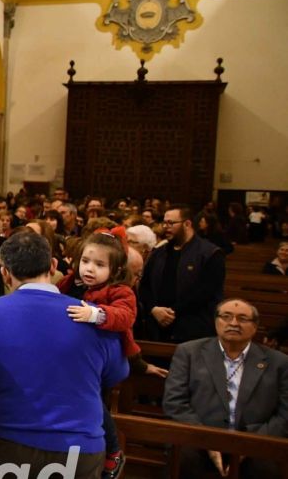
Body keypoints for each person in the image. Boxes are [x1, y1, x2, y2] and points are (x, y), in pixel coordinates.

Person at [0, 232, 129, 478]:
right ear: (53, 266)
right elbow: (116, 374)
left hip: (9, 442)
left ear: (4, 272)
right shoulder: (94, 316)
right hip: (78, 446)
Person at [57, 232, 166, 479]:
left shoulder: (120, 291)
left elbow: (125, 317)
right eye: (85, 261)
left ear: (115, 269)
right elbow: (53, 298)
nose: (89, 269)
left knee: (93, 401)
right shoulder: (71, 282)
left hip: (103, 361)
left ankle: (114, 450)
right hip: (74, 357)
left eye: (99, 265)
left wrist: (95, 314)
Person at [164, 299, 288, 478]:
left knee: (265, 468)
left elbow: (285, 414)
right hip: (198, 435)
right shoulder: (189, 352)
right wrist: (207, 440)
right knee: (184, 459)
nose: (233, 323)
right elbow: (174, 402)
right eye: (226, 317)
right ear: (216, 322)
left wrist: (252, 444)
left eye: (243, 318)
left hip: (257, 440)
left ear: (255, 327)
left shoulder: (279, 362)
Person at [139, 204, 225, 343]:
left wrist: (172, 312)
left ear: (187, 224)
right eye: (164, 222)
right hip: (157, 325)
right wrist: (153, 309)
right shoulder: (158, 253)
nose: (165, 227)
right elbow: (144, 286)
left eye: (171, 223)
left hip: (194, 327)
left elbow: (205, 291)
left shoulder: (210, 254)